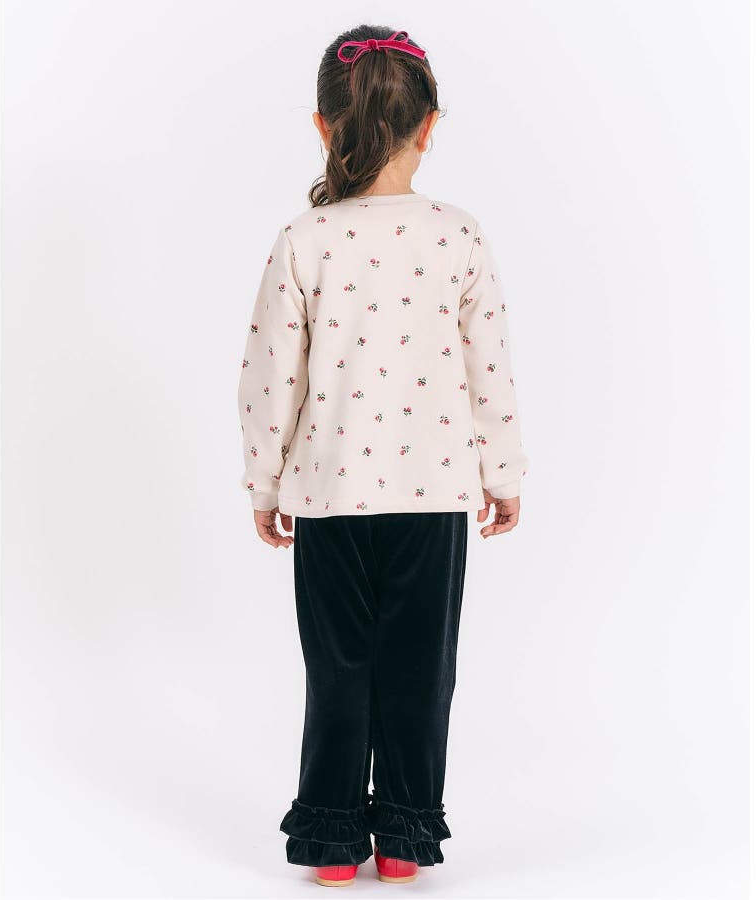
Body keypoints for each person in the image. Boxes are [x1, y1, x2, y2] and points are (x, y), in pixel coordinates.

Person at [236, 24, 529, 887]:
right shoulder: (457, 235)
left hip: (329, 495)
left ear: (323, 127)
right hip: (433, 497)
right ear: (429, 126)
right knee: (420, 675)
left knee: (337, 673)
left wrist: (265, 483)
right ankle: (403, 840)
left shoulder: (305, 239)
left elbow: (269, 376)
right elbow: (489, 367)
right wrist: (503, 473)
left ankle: (331, 846)